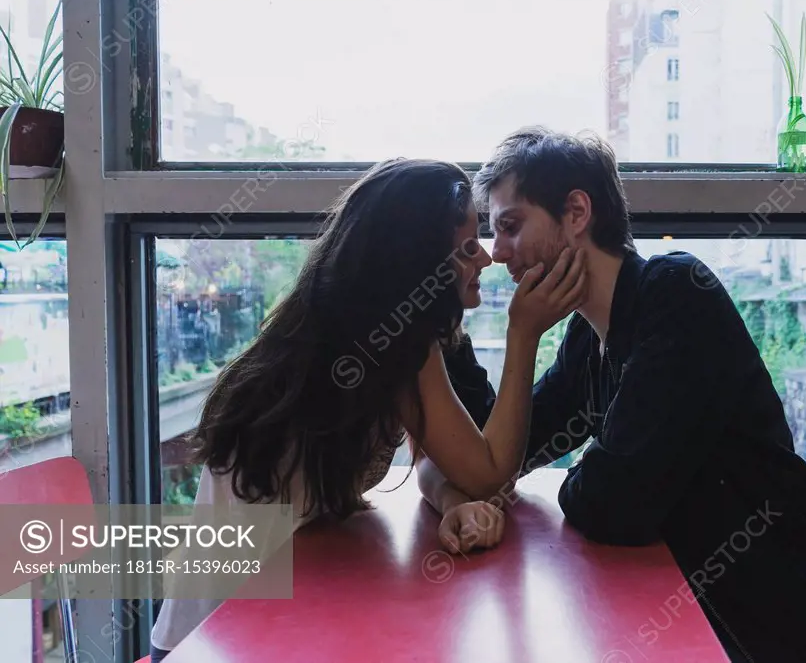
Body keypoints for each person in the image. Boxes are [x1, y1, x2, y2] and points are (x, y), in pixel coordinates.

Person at [415, 127, 806, 663]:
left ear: (576, 213)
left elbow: (611, 505)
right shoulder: (589, 336)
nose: (497, 251)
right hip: (683, 616)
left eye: (511, 226)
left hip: (766, 629)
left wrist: (583, 476)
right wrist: (458, 328)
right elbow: (496, 455)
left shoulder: (676, 295)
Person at [148, 158, 587, 661]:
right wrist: (523, 335)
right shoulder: (387, 344)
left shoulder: (390, 335)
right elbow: (489, 473)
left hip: (292, 612)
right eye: (467, 249)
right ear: (418, 266)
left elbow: (429, 459)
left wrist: (450, 503)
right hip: (214, 637)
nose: (485, 259)